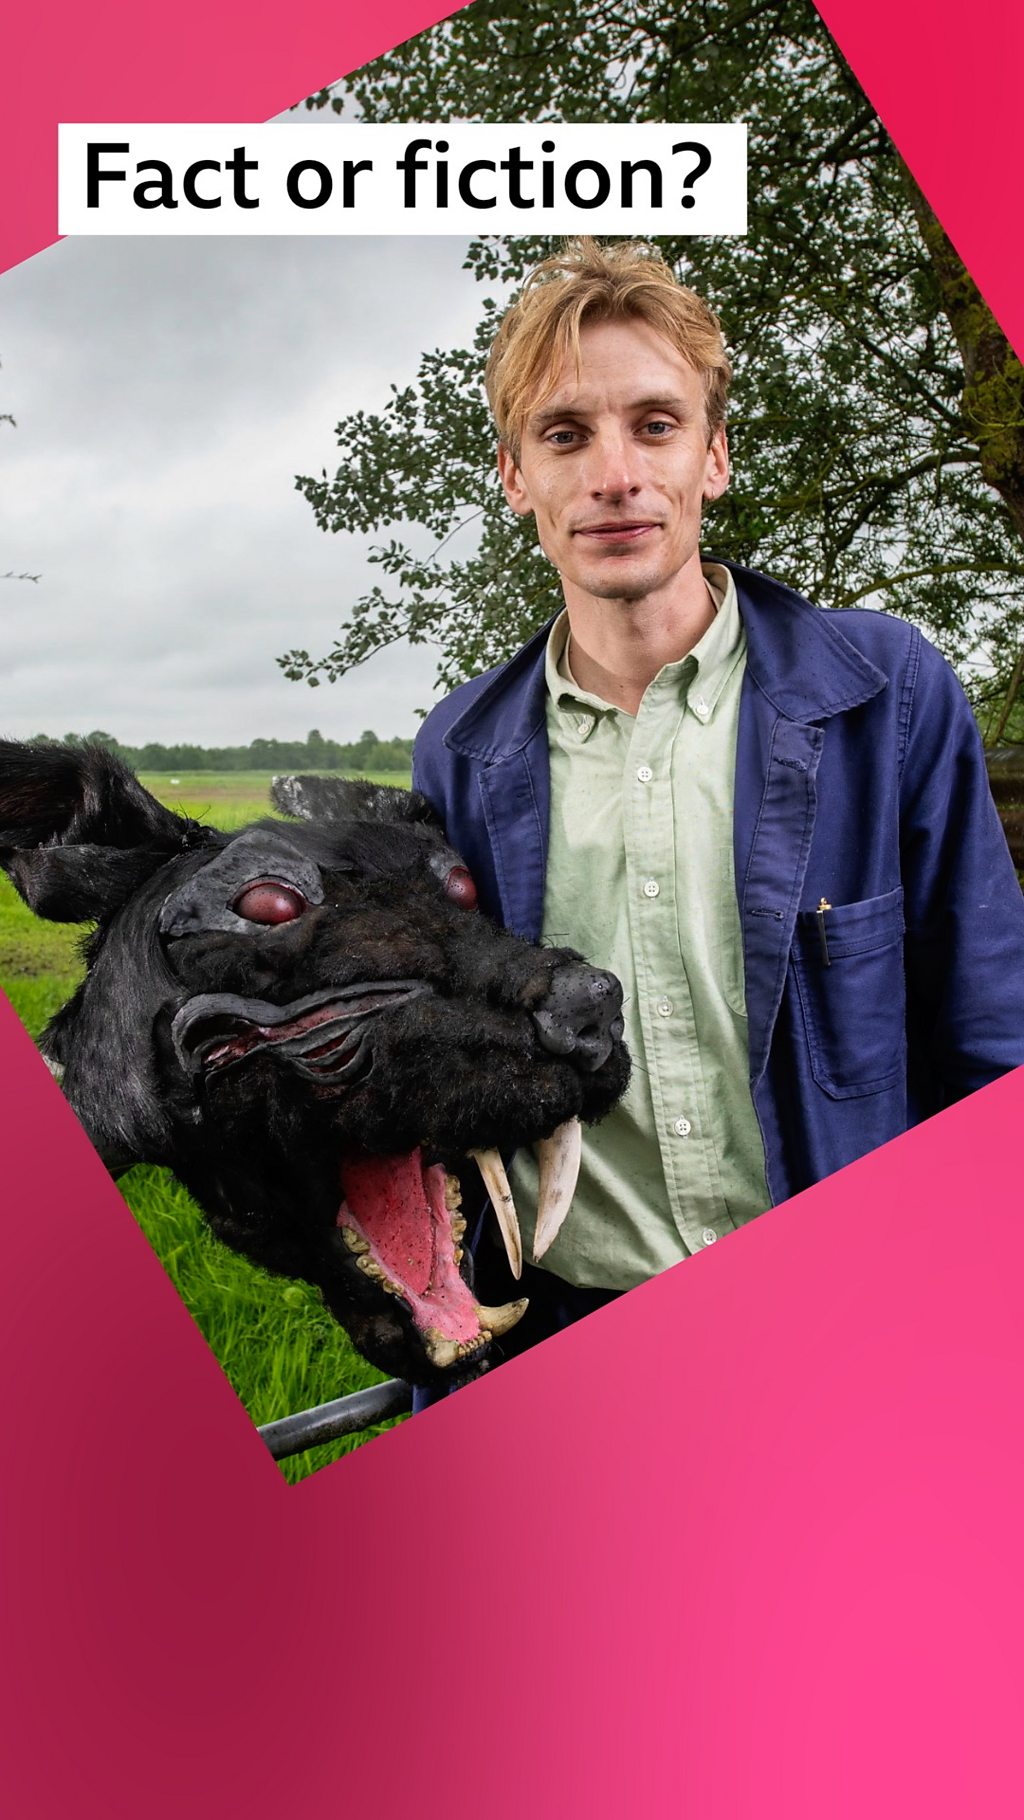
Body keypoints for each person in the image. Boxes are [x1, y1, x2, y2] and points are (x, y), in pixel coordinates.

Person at [412, 237, 1024, 1384]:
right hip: (575, 1327)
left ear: (714, 457)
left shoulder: (884, 695)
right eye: (564, 434)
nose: (613, 474)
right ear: (513, 477)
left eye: (654, 424)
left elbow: (992, 1036)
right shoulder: (460, 753)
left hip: (854, 1315)